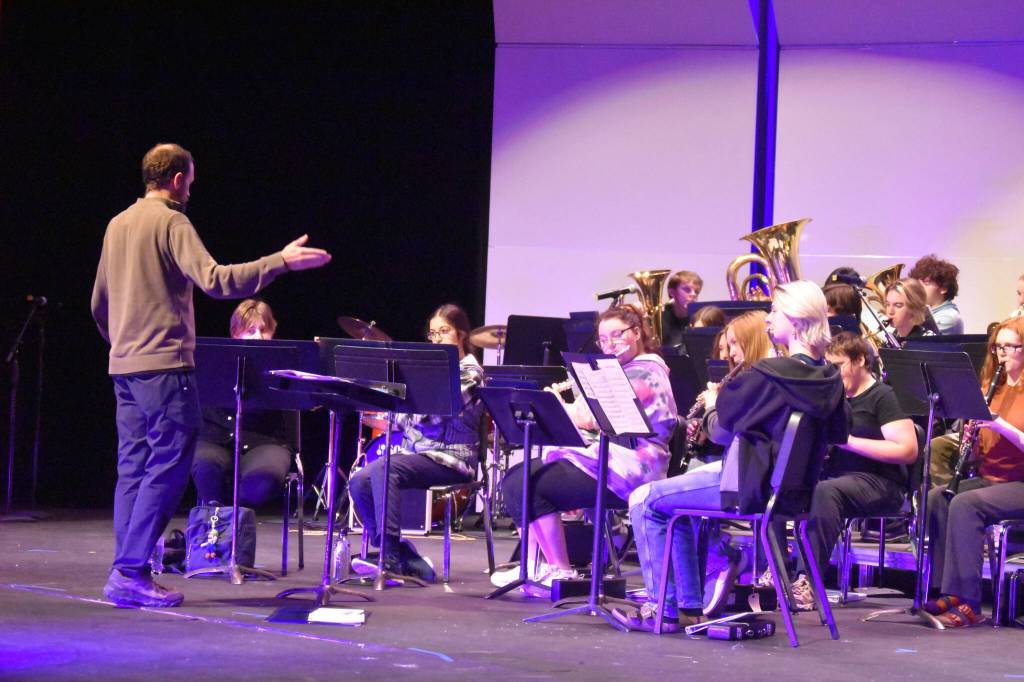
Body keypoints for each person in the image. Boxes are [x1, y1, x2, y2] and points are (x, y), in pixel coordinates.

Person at [91, 143, 331, 608]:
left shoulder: (117, 223)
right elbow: (217, 280)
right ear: (179, 179)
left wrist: (122, 345)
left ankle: (128, 569)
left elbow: (99, 303)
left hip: (124, 368)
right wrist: (280, 262)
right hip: (163, 366)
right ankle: (130, 570)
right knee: (167, 466)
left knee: (132, 469)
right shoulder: (172, 221)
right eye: (192, 182)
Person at [616, 281, 848, 633]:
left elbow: (723, 430)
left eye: (775, 312)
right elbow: (838, 434)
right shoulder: (830, 378)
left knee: (645, 499)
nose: (768, 319)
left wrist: (711, 405)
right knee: (671, 500)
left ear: (797, 322)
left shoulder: (769, 376)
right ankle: (687, 608)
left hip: (747, 486)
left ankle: (665, 609)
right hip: (791, 493)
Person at [491, 304, 678, 592]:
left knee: (530, 484)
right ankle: (533, 565)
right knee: (517, 478)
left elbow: (589, 417)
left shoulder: (646, 373)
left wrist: (557, 405)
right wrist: (566, 405)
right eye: (603, 339)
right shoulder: (620, 370)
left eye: (617, 335)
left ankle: (560, 571)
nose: (609, 344)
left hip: (631, 469)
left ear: (637, 332)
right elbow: (582, 413)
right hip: (607, 459)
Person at [775, 332, 916, 610]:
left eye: (838, 366)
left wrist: (848, 442)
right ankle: (778, 574)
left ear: (860, 360)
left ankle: (807, 581)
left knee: (826, 491)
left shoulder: (882, 396)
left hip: (880, 483)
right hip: (839, 481)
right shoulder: (834, 399)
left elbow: (907, 449)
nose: (834, 373)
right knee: (781, 485)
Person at [348, 304, 486, 583]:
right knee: (358, 480)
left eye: (443, 332)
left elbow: (432, 415)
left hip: (452, 460)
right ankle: (397, 551)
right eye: (432, 334)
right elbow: (405, 416)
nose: (436, 340)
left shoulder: (471, 372)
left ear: (461, 335)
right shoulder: (430, 371)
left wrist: (399, 403)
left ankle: (390, 558)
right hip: (422, 455)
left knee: (384, 468)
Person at [923, 317, 1024, 628]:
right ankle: (948, 591)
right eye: (998, 347)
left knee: (966, 504)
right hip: (991, 478)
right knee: (939, 497)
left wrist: (998, 425)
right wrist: (973, 437)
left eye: (1011, 347)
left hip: (1019, 482)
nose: (1002, 354)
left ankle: (969, 602)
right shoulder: (989, 388)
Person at [191, 299, 294, 509]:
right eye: (250, 330)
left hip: (265, 441)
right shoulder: (212, 360)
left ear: (272, 332)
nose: (257, 336)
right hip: (216, 438)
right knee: (205, 467)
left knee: (263, 481)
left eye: (263, 330)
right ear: (235, 333)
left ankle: (231, 515)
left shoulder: (285, 363)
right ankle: (218, 525)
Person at [909, 254, 964, 335]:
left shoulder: (949, 317)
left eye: (926, 282)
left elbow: (915, 338)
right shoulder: (923, 313)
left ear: (943, 288)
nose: (918, 287)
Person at [661, 270, 704, 350]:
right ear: (672, 292)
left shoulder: (700, 321)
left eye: (696, 291)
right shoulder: (660, 321)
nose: (693, 294)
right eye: (687, 290)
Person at [884, 278, 935, 344]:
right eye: (887, 304)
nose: (890, 312)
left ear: (914, 307)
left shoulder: (928, 340)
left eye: (898, 305)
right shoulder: (892, 339)